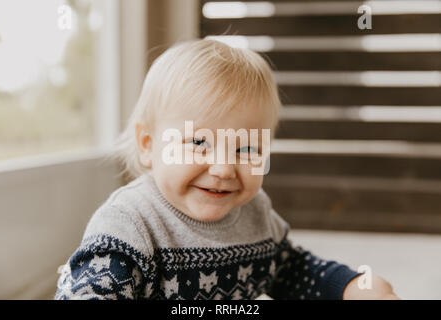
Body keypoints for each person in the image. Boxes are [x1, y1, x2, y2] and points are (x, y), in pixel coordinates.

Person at [54, 39, 398, 300]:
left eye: (246, 148)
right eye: (199, 143)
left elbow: (292, 269)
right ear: (148, 144)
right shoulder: (129, 225)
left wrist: (351, 286)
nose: (223, 168)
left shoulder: (255, 210)